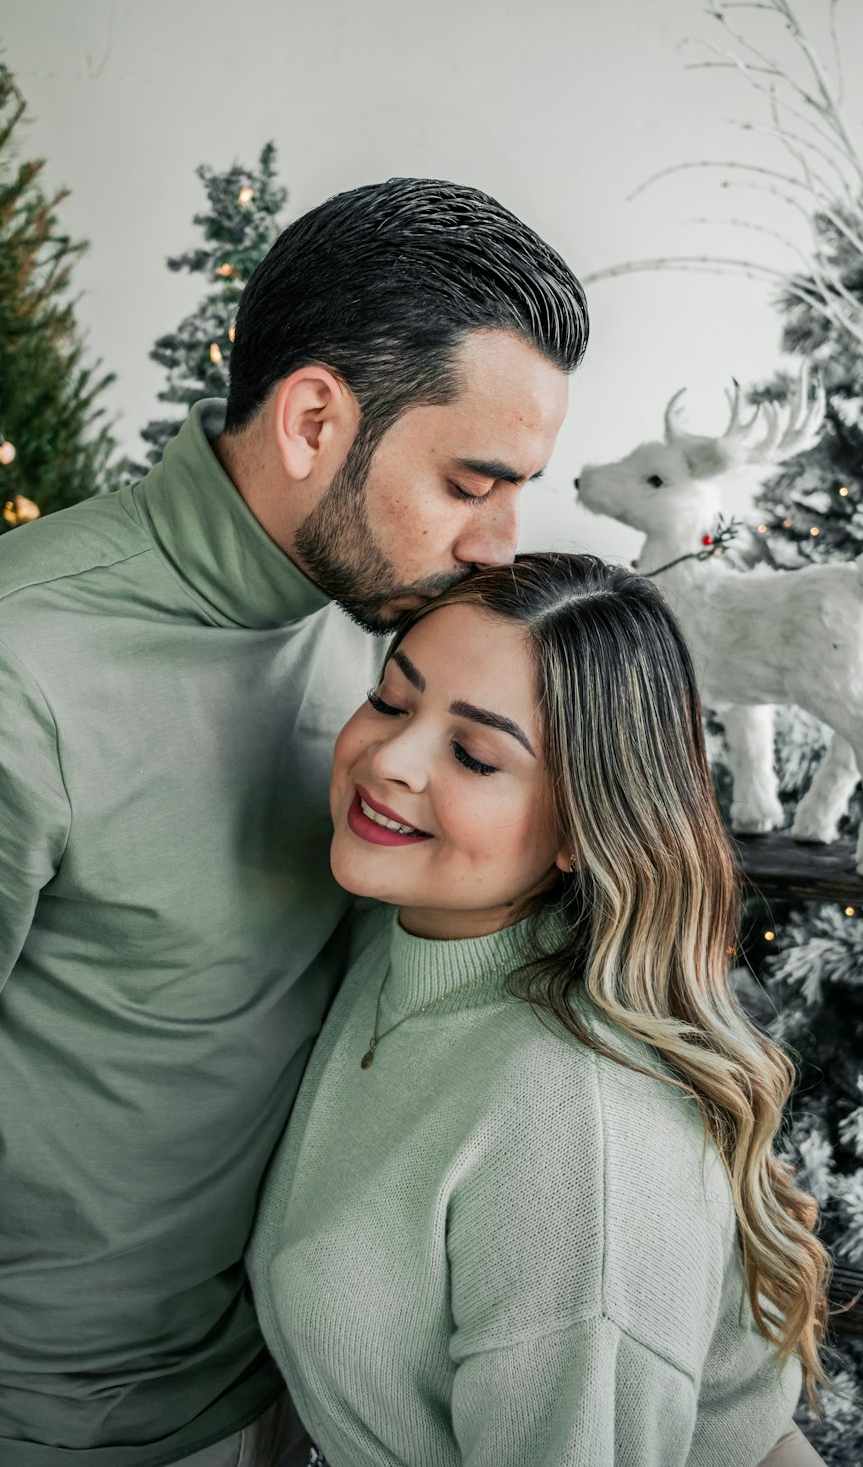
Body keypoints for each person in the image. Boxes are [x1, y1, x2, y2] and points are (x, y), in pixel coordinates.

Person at [0, 180, 588, 1467]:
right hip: (39, 1430)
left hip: (306, 1402)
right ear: (315, 418)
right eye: (469, 481)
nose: (503, 544)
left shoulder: (402, 645)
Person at [247, 552, 833, 1467]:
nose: (389, 760)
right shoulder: (398, 944)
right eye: (393, 702)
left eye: (476, 755)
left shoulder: (570, 1129)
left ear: (580, 828)